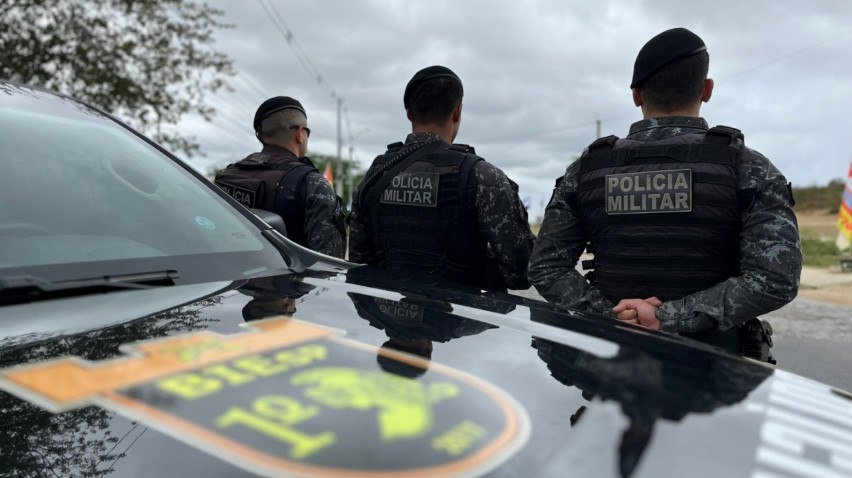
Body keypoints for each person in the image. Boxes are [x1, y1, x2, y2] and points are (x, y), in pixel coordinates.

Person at [528, 28, 802, 360]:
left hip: (610, 364)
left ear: (637, 95)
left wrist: (609, 313)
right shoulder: (749, 168)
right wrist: (666, 318)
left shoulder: (586, 170)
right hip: (715, 372)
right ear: (707, 89)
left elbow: (546, 267)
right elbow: (775, 279)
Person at [349, 65, 535, 291]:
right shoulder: (482, 176)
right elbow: (521, 272)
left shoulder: (376, 173)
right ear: (457, 112)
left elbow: (359, 265)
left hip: (390, 319)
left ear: (409, 113)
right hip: (463, 319)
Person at [215, 96, 345, 258]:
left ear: (260, 135)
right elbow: (330, 264)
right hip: (289, 282)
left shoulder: (227, 175)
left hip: (226, 278)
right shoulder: (312, 184)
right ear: (300, 133)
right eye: (307, 132)